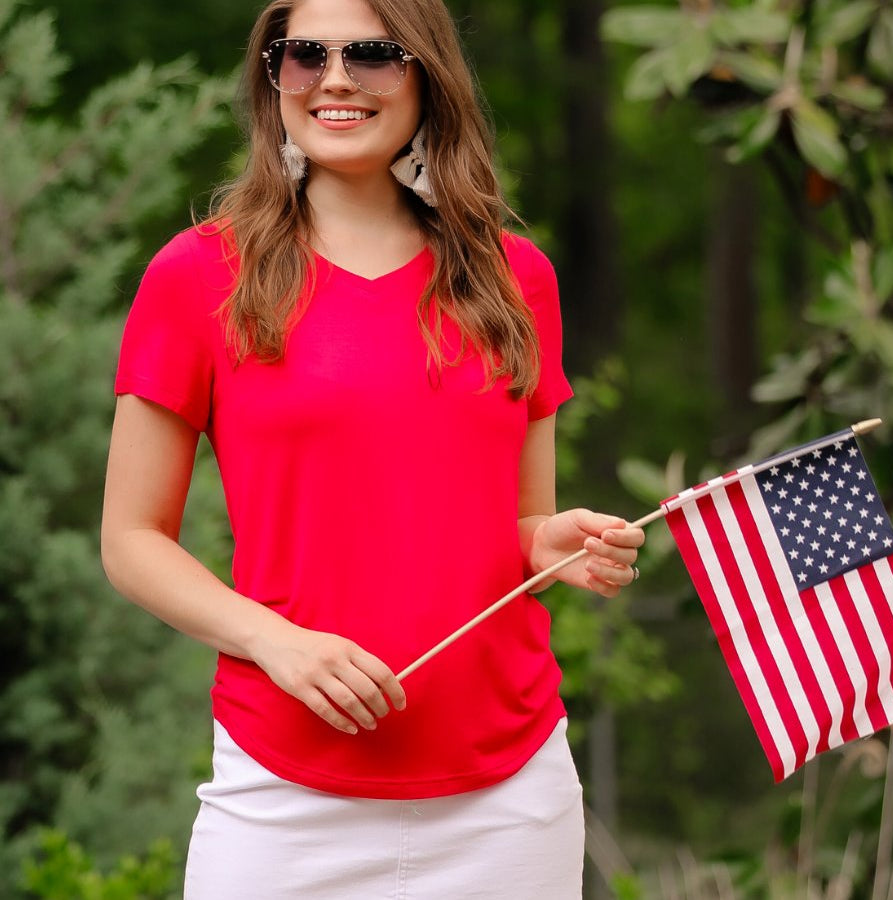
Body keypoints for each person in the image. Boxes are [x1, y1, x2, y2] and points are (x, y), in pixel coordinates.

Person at [100, 0, 645, 896]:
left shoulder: (516, 278)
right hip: (282, 792)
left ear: (427, 74)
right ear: (274, 77)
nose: (336, 80)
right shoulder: (197, 276)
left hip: (508, 795)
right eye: (304, 55)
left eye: (374, 54)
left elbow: (518, 526)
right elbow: (130, 541)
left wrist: (546, 544)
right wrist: (276, 643)